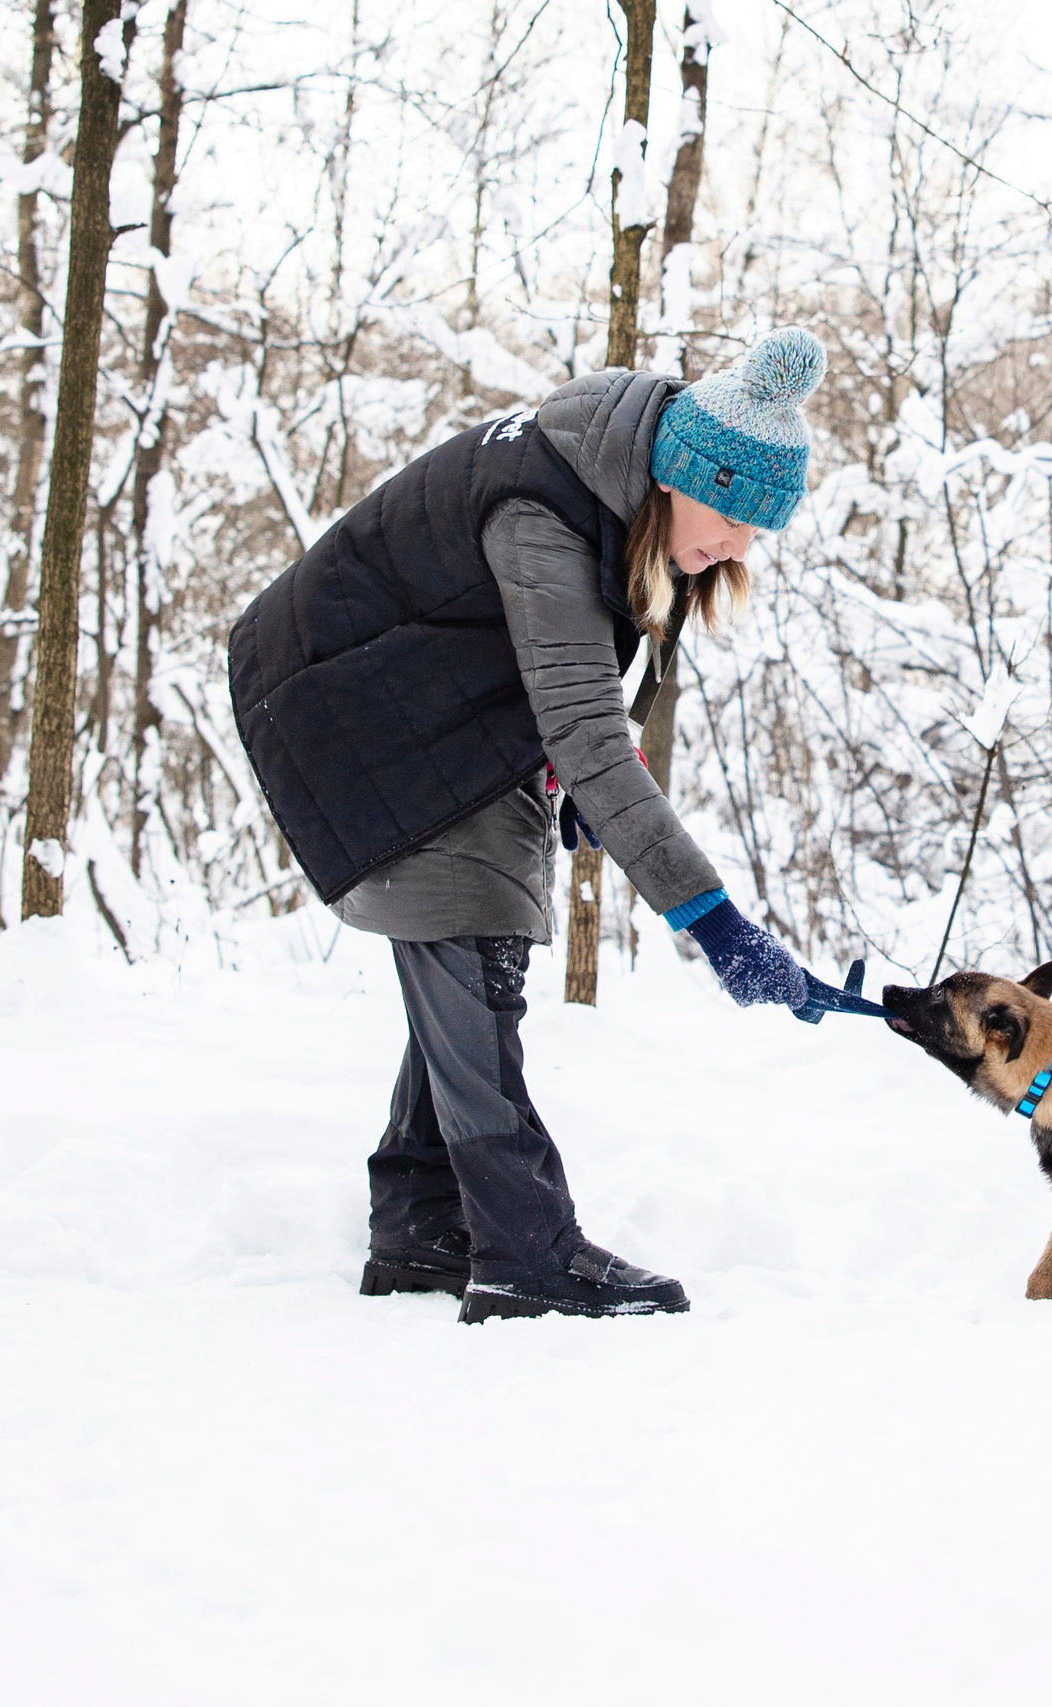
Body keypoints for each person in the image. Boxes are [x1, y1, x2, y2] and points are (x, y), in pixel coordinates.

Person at [229, 328, 842, 1323]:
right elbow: (591, 731)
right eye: (727, 513)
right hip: (342, 710)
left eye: (753, 527)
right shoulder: (543, 513)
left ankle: (421, 1223)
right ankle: (524, 1250)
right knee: (473, 925)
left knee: (482, 923)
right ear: (678, 477)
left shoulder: (609, 491)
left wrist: (564, 770)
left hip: (416, 709)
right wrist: (719, 928)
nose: (735, 542)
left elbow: (542, 681)